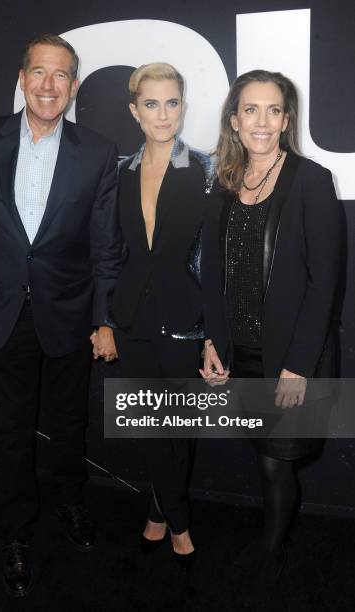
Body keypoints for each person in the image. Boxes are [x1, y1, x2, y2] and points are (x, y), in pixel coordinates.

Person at [0, 34, 120, 597]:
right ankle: (15, 534)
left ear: (74, 86)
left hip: (70, 309)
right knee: (13, 433)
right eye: (38, 72)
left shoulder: (98, 151)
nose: (47, 85)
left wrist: (104, 317)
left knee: (68, 426)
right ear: (21, 78)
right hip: (5, 309)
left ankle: (69, 503)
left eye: (60, 75)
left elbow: (106, 245)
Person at [201, 70, 342, 601]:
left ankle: (272, 548)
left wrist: (299, 365)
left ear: (287, 120)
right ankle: (273, 537)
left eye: (274, 110)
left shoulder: (310, 179)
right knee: (262, 452)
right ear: (234, 120)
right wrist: (213, 342)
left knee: (273, 458)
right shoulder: (222, 183)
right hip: (242, 353)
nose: (262, 121)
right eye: (251, 110)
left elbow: (324, 281)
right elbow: (213, 274)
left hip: (289, 358)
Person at [93, 63, 214, 569]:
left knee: (177, 427)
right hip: (131, 320)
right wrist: (103, 320)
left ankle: (168, 517)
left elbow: (214, 259)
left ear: (183, 108)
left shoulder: (208, 169)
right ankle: (170, 515)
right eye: (151, 104)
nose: (162, 114)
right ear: (134, 111)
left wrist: (213, 336)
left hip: (186, 320)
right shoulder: (119, 171)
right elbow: (107, 251)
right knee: (150, 424)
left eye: (171, 103)